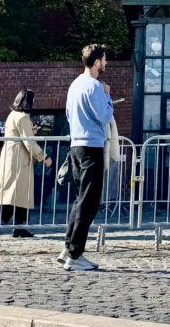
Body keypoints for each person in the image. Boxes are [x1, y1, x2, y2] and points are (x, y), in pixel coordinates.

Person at [59, 43, 113, 271]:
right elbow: (104, 115)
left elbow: (69, 114)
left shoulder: (75, 84)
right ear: (98, 61)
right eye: (104, 59)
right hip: (91, 146)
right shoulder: (95, 86)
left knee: (79, 199)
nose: (106, 63)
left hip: (76, 145)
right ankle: (75, 254)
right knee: (89, 203)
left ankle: (68, 246)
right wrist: (108, 97)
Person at [0, 89, 52, 238]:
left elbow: (22, 136)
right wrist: (44, 157)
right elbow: (29, 142)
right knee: (15, 193)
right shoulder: (22, 117)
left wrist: (31, 132)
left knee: (18, 194)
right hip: (19, 159)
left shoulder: (13, 115)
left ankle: (19, 227)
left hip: (13, 157)